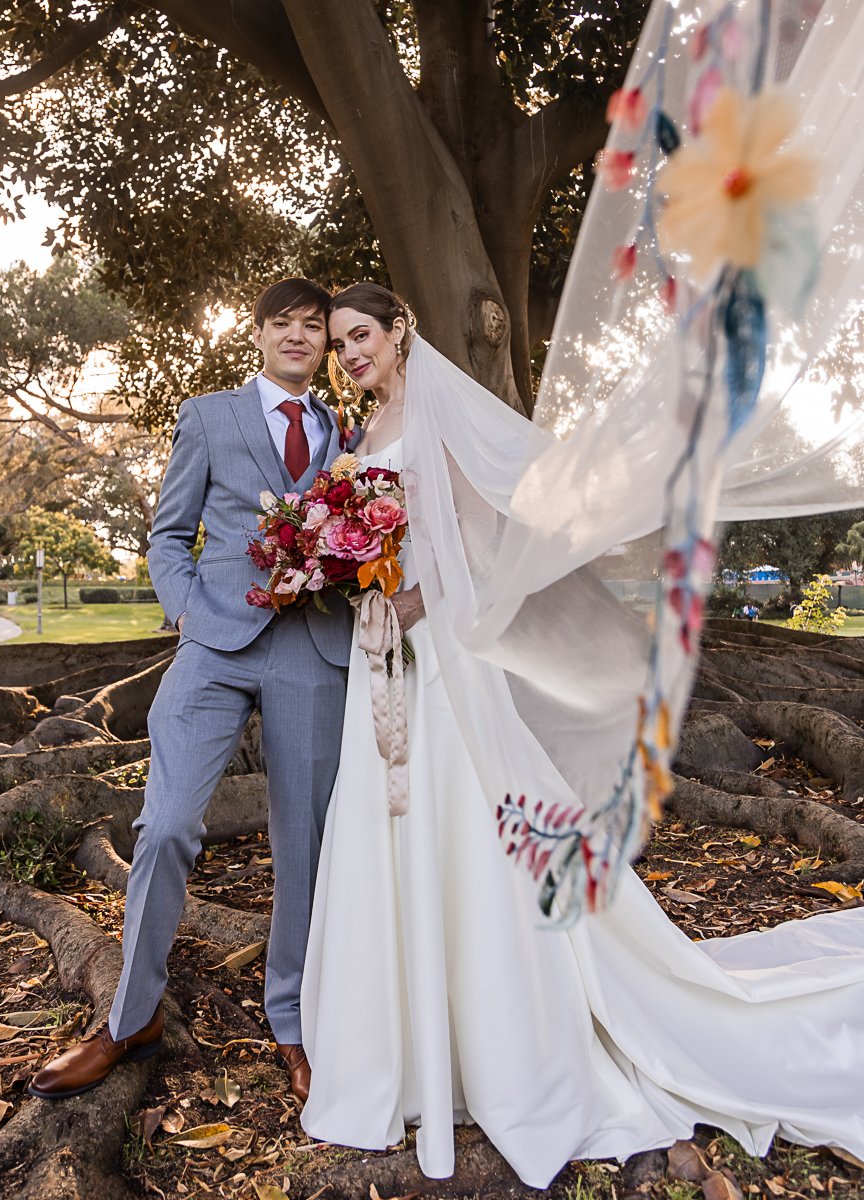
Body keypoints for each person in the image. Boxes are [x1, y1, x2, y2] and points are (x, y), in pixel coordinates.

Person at [299, 282, 864, 1188]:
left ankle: (504, 1046)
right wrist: (338, 574)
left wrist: (403, 604)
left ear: (401, 330)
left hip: (436, 655)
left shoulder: (436, 420)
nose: (351, 353)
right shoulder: (356, 437)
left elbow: (476, 545)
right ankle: (401, 1053)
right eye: (339, 343)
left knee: (465, 831)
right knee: (385, 834)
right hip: (380, 658)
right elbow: (377, 542)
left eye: (361, 334)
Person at [29, 278, 356, 1103]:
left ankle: (295, 1021)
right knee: (166, 823)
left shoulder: (343, 429)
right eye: (282, 324)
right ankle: (129, 1019)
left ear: (324, 345)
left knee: (303, 847)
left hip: (312, 650)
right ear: (256, 334)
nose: (298, 337)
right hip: (213, 647)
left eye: (312, 328)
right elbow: (169, 534)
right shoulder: (208, 415)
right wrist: (184, 611)